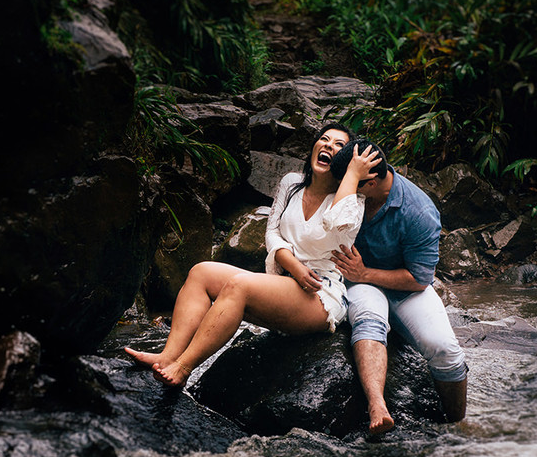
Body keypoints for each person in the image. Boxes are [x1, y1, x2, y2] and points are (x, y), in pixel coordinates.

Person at [125, 123, 381, 387]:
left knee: (239, 285)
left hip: (320, 293)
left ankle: (183, 368)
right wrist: (291, 264)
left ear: (347, 160)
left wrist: (351, 175)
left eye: (339, 145)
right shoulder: (291, 183)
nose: (328, 145)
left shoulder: (352, 203)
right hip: (286, 280)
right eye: (324, 139)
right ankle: (168, 356)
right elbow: (271, 233)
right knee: (201, 272)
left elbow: (335, 222)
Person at [330, 139, 467, 434]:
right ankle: (377, 405)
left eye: (351, 182)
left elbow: (420, 280)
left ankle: (458, 427)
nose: (343, 190)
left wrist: (365, 272)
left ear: (368, 182)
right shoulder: (350, 190)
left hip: (403, 286)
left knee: (445, 349)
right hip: (357, 282)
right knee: (370, 321)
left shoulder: (419, 211)